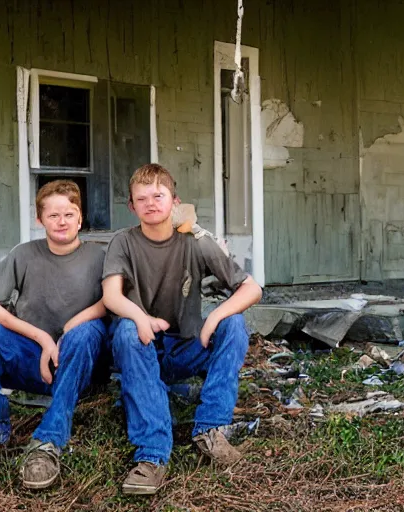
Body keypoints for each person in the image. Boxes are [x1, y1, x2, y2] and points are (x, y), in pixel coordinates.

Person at [102, 163, 262, 495]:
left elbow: (252, 289)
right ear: (132, 206)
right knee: (129, 330)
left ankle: (210, 429)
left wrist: (215, 317)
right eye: (142, 198)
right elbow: (111, 297)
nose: (151, 203)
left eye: (158, 196)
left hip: (183, 346)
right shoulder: (123, 243)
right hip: (139, 348)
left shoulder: (195, 242)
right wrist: (142, 318)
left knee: (233, 323)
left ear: (174, 201)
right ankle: (152, 456)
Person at [0, 180, 109, 491]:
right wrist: (42, 338)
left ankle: (49, 439)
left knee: (88, 331)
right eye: (53, 216)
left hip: (80, 364)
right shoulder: (25, 254)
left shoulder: (99, 257)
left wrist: (65, 335)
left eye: (69, 214)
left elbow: (112, 301)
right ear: (39, 220)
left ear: (81, 218)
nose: (62, 221)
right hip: (32, 360)